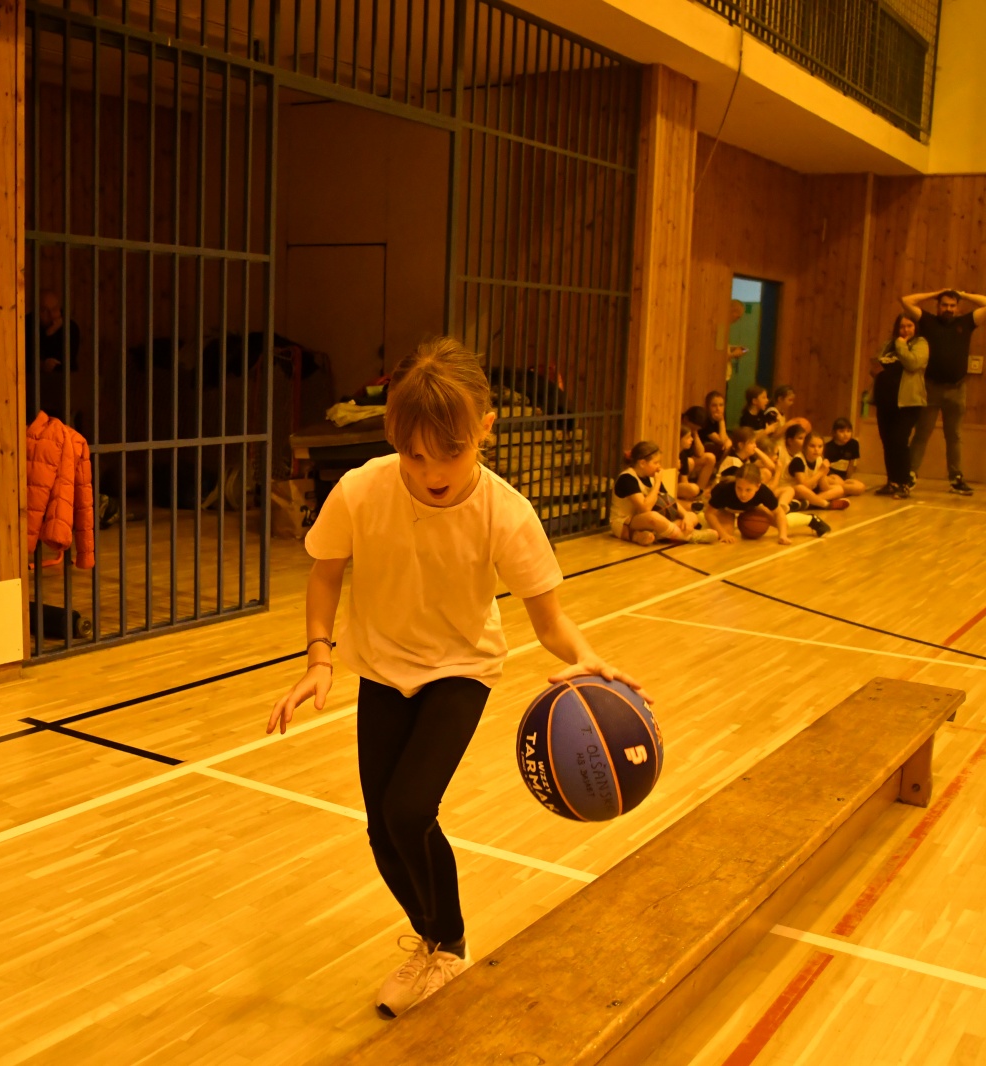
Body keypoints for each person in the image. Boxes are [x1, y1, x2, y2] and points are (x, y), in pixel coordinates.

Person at [267, 337, 647, 1018]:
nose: (432, 470)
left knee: (410, 809)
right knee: (382, 832)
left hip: (460, 669)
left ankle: (450, 944)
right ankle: (434, 941)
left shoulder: (506, 511)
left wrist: (585, 656)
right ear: (394, 437)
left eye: (451, 451)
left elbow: (549, 619)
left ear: (485, 429)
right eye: (414, 454)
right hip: (382, 668)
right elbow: (325, 574)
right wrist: (319, 656)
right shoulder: (362, 490)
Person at [902, 287, 986, 495]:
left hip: (957, 389)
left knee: (954, 435)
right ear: (938, 306)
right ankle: (909, 475)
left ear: (957, 307)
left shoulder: (966, 322)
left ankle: (956, 478)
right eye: (944, 305)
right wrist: (935, 293)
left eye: (952, 305)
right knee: (922, 433)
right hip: (930, 388)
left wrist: (964, 295)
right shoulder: (927, 321)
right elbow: (906, 300)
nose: (948, 309)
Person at [705, 461, 830, 546]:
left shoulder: (763, 492)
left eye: (748, 490)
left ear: (758, 486)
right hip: (726, 509)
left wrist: (782, 535)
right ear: (736, 482)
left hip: (751, 507)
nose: (743, 494)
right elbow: (709, 513)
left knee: (781, 524)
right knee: (726, 534)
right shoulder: (725, 489)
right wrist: (723, 534)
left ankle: (810, 520)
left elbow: (779, 513)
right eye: (739, 488)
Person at [610, 441, 711, 545]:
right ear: (642, 463)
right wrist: (657, 483)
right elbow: (645, 508)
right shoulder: (627, 478)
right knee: (653, 517)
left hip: (645, 522)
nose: (659, 466)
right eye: (656, 463)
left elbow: (670, 500)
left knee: (692, 516)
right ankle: (690, 537)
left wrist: (686, 516)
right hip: (624, 523)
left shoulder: (651, 477)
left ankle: (655, 535)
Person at [871, 313, 927, 498]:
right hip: (885, 401)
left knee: (899, 440)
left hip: (907, 403)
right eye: (902, 327)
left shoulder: (920, 344)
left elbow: (913, 363)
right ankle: (892, 481)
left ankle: (904, 483)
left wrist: (901, 345)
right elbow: (877, 364)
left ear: (915, 327)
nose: (905, 330)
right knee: (887, 442)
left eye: (909, 326)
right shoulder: (889, 344)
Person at [25, 289, 82, 423]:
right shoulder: (26, 325)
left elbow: (66, 361)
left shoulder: (70, 327)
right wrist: (41, 365)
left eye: (55, 309)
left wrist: (51, 332)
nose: (51, 315)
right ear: (36, 311)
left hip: (62, 390)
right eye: (45, 310)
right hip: (32, 391)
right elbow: (26, 358)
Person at [790, 433, 851, 510]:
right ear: (804, 447)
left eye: (820, 446)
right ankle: (826, 504)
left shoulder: (819, 459)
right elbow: (804, 485)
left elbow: (824, 488)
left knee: (839, 489)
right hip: (795, 493)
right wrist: (821, 472)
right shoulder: (798, 460)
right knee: (800, 488)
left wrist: (824, 473)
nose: (816, 449)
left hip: (811, 492)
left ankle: (810, 503)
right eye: (812, 446)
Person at [823, 418, 867, 496]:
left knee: (861, 487)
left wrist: (848, 478)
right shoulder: (828, 447)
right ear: (834, 433)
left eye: (848, 431)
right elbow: (824, 469)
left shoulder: (854, 444)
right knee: (848, 487)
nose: (846, 434)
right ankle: (837, 491)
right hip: (831, 477)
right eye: (841, 431)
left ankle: (838, 491)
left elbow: (852, 464)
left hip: (844, 478)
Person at [675, 416, 716, 500]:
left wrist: (690, 491)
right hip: (667, 483)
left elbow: (684, 480)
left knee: (694, 489)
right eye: (688, 437)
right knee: (694, 489)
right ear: (679, 439)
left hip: (676, 485)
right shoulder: (671, 454)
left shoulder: (683, 455)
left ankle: (698, 496)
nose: (691, 439)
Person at [700, 391, 731, 458]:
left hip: (716, 447)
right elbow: (721, 441)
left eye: (721, 405)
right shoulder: (705, 420)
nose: (718, 409)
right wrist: (721, 421)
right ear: (708, 407)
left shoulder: (718, 418)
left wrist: (729, 442)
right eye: (714, 405)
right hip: (704, 448)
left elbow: (725, 437)